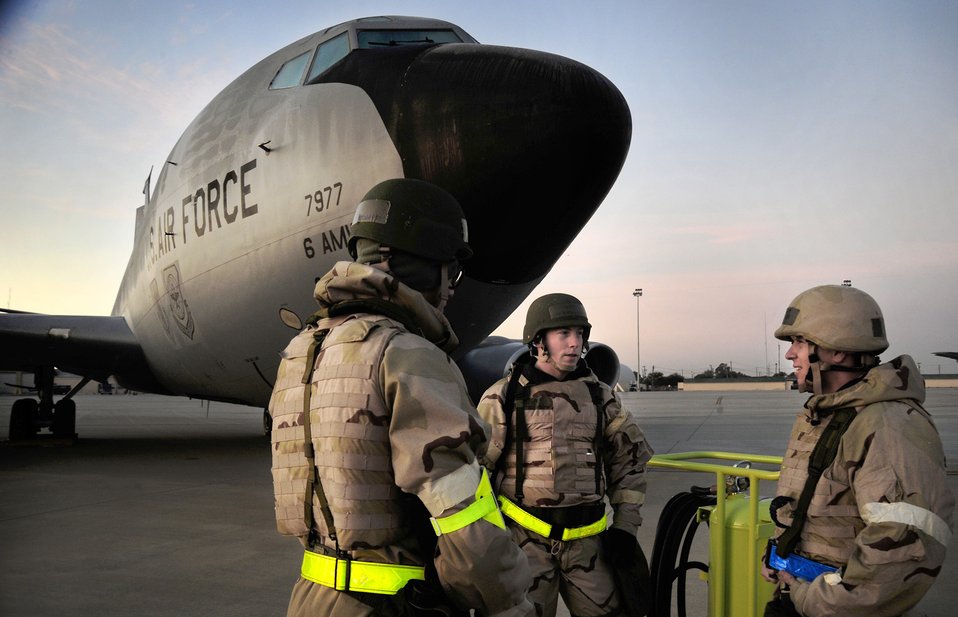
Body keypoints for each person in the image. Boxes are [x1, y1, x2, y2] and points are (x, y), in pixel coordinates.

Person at [269, 178, 534, 617]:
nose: (452, 287)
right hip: (395, 606)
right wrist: (510, 602)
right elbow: (464, 524)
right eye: (451, 269)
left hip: (312, 597)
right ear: (420, 265)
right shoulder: (405, 354)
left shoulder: (300, 352)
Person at [763, 284, 954, 617]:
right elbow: (815, 509)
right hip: (803, 596)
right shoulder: (830, 414)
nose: (790, 354)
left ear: (836, 351)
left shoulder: (888, 425)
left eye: (799, 342)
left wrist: (814, 600)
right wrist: (780, 556)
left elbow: (901, 548)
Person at [477, 293, 653, 617]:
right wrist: (489, 538)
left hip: (589, 544)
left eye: (580, 334)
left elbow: (629, 461)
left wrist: (625, 530)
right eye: (564, 334)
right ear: (539, 340)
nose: (575, 343)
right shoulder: (505, 395)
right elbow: (477, 470)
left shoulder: (599, 395)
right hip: (524, 542)